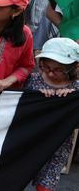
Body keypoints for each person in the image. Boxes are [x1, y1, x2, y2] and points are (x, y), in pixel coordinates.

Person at [26, 38, 79, 191]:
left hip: (58, 146)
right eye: (45, 67)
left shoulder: (75, 88)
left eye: (58, 70)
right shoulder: (33, 80)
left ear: (73, 68)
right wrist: (37, 98)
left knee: (46, 186)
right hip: (28, 143)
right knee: (17, 178)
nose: (50, 73)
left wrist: (71, 100)